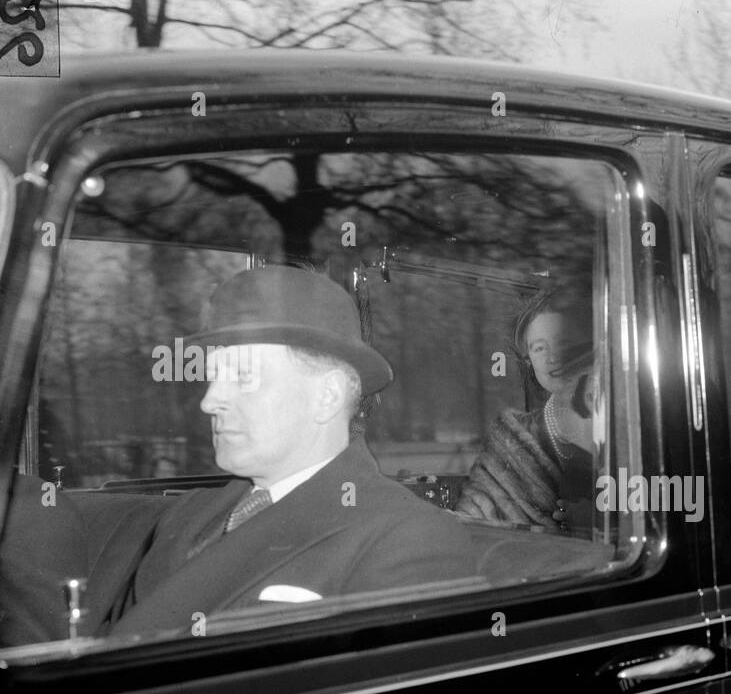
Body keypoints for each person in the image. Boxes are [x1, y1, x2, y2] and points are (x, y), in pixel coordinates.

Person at [94, 266, 479, 638]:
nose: (209, 401)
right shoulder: (186, 515)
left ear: (326, 397)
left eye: (243, 376)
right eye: (212, 377)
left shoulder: (408, 538)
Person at [454, 289, 595, 534]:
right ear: (528, 360)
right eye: (540, 348)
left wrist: (602, 522)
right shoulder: (512, 437)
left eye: (564, 342)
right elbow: (473, 521)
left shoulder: (630, 422)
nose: (553, 358)